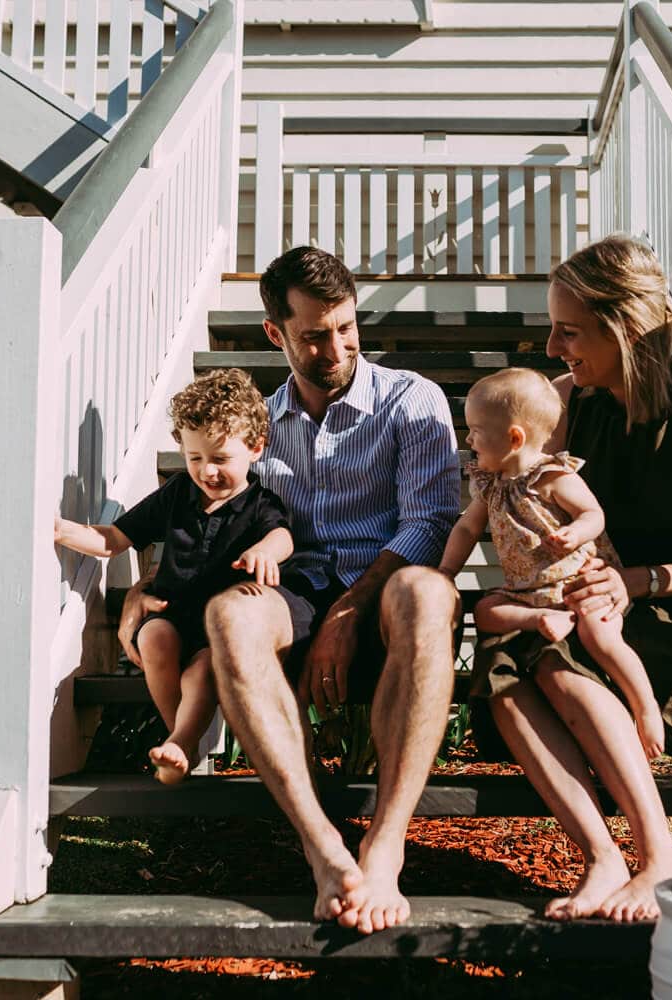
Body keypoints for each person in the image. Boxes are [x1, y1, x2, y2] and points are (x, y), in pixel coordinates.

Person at [116, 246, 462, 934]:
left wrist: (351, 609)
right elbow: (205, 520)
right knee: (229, 616)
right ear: (276, 334)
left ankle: (385, 845)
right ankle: (322, 845)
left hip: (385, 591)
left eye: (346, 328)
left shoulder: (409, 400)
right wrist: (147, 586)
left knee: (428, 593)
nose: (335, 347)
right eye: (313, 334)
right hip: (294, 592)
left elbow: (431, 521)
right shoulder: (254, 430)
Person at [472, 235, 672, 924]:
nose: (554, 348)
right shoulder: (557, 404)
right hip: (576, 604)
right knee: (505, 657)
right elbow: (522, 510)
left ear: (626, 327)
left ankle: (659, 856)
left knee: (559, 659)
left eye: (570, 331)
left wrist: (630, 583)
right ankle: (601, 858)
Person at [54, 369, 293, 784]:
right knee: (152, 637)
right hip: (171, 613)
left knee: (200, 673)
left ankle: (181, 742)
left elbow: (283, 536)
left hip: (216, 630)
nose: (207, 472)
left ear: (255, 448)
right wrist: (57, 530)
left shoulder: (260, 504)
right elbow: (113, 539)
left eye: (221, 459)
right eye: (195, 458)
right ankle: (184, 740)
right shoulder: (178, 493)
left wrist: (264, 552)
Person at [437, 368, 664, 760]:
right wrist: (446, 572)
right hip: (527, 593)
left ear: (514, 438)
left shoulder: (554, 476)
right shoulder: (490, 484)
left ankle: (645, 705)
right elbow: (465, 530)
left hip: (578, 586)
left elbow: (594, 515)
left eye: (475, 430)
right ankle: (540, 622)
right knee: (487, 610)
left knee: (600, 635)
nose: (468, 439)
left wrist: (576, 533)